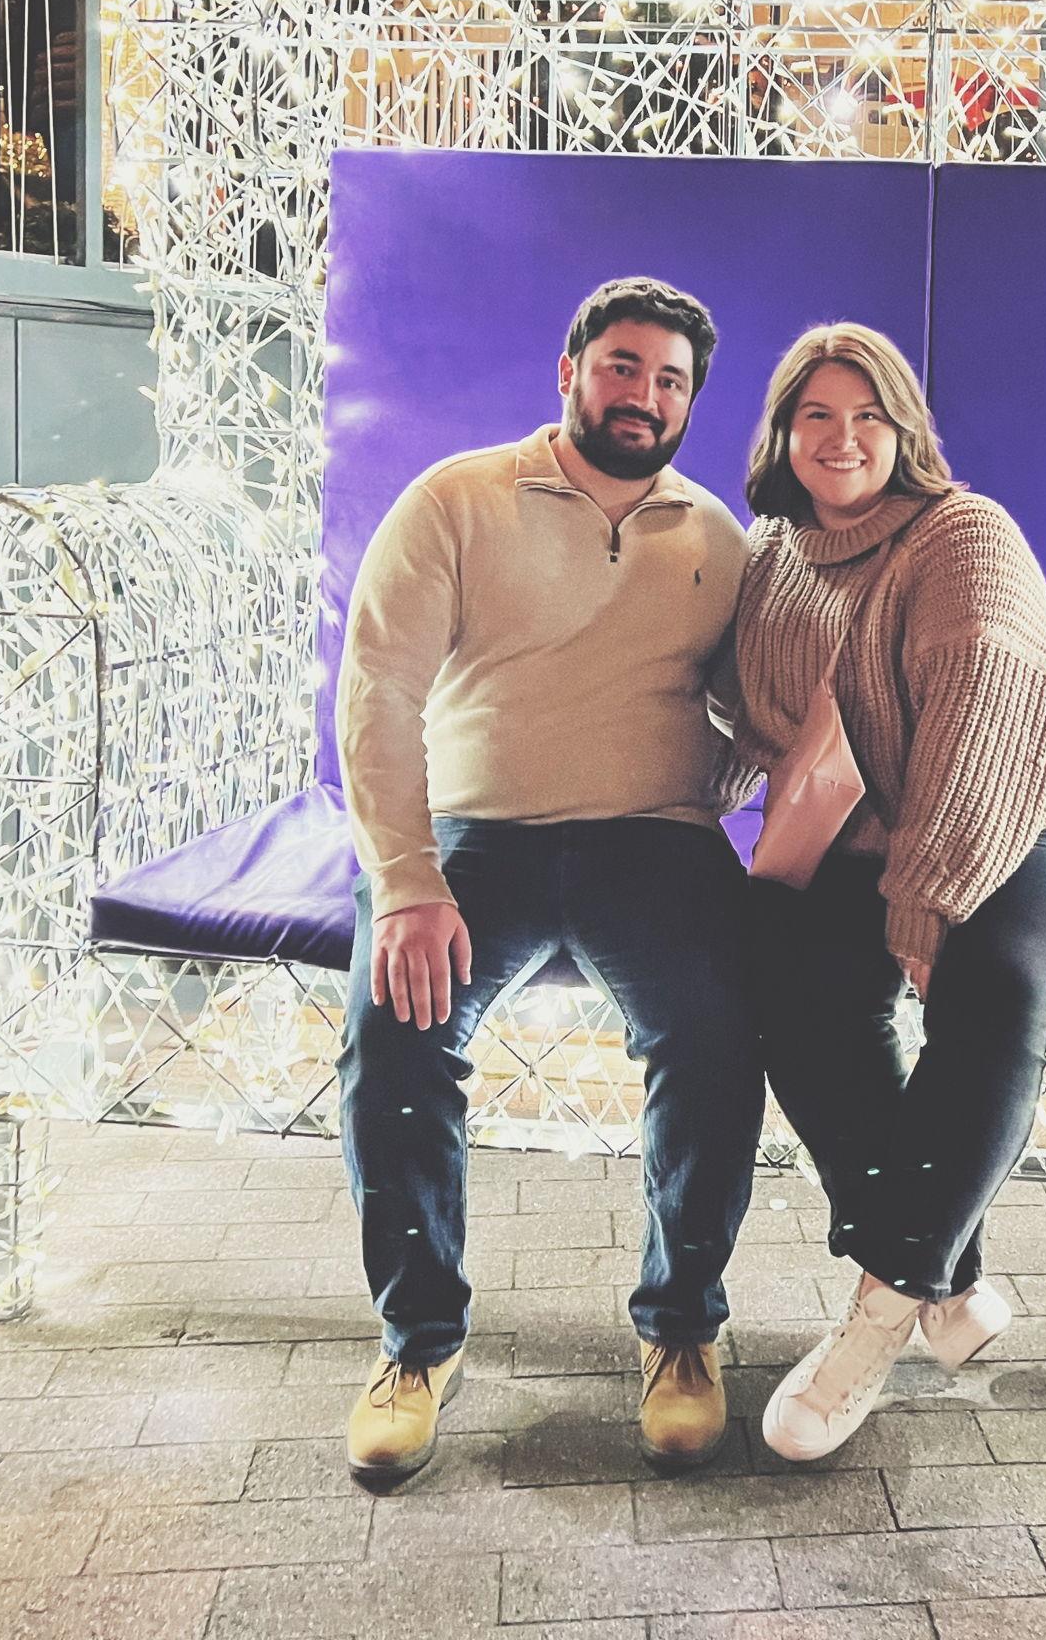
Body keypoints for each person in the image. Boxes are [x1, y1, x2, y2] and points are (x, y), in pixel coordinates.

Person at [334, 278, 761, 1483]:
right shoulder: (456, 500)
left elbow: (759, 709)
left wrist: (703, 783)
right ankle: (418, 1344)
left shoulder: (716, 540)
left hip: (653, 840)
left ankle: (681, 1328)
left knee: (720, 1033)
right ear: (569, 370)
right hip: (477, 838)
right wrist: (406, 880)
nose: (644, 394)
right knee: (394, 1034)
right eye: (623, 366)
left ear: (690, 401)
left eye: (670, 379)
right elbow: (377, 688)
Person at [728, 323, 1046, 1461]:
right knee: (781, 981)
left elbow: (982, 719)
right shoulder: (771, 554)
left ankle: (874, 1318)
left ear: (905, 431)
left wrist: (924, 899)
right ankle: (947, 1280)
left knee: (994, 992)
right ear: (783, 433)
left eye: (868, 415)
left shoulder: (963, 534)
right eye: (815, 414)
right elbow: (751, 720)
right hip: (864, 849)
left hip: (1022, 835)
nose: (841, 438)